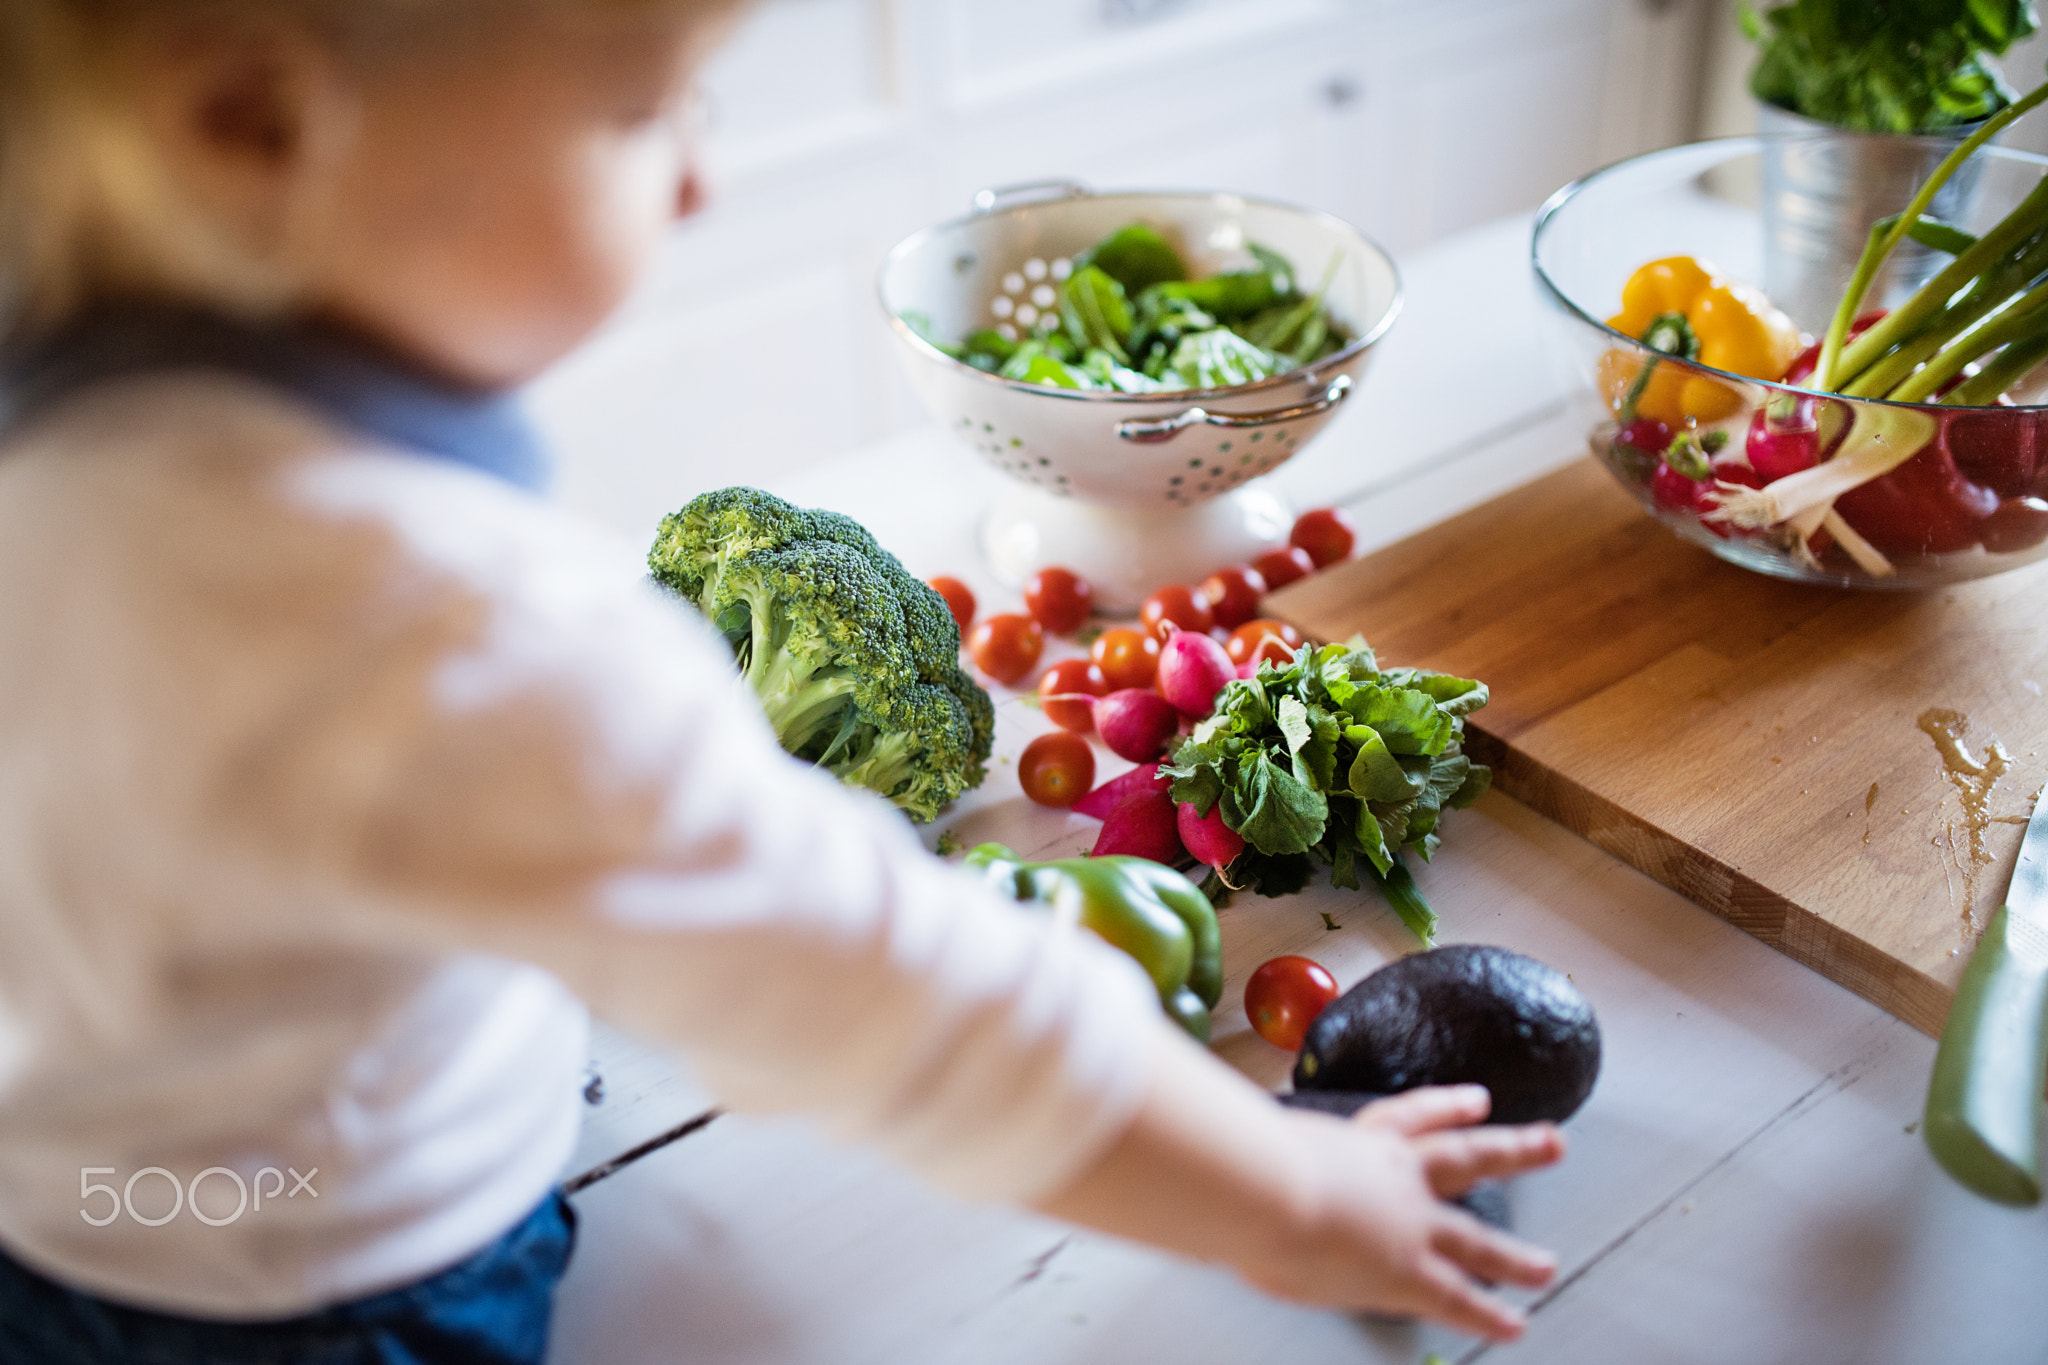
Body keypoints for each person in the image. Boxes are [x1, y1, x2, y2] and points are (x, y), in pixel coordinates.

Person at [0, 2, 1567, 1361]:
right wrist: (1289, 1194)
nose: (699, 179)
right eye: (636, 109)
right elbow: (886, 994)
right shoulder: (447, 628)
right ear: (256, 120)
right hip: (327, 1282)